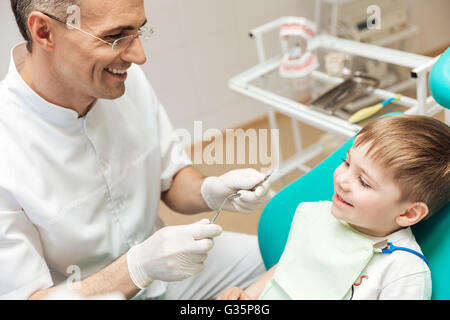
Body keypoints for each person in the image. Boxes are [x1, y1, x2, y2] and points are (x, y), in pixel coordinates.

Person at [0, 0, 270, 299]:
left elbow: (170, 178)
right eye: (115, 36)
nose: (139, 56)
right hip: (90, 294)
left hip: (169, 271)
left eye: (138, 31)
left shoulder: (117, 79)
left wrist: (211, 190)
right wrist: (136, 267)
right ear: (44, 31)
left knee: (289, 259)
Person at [218, 115, 450, 300]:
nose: (341, 179)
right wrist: (248, 295)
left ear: (408, 213)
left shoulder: (401, 272)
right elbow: (289, 268)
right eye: (346, 162)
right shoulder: (325, 216)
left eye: (364, 182)